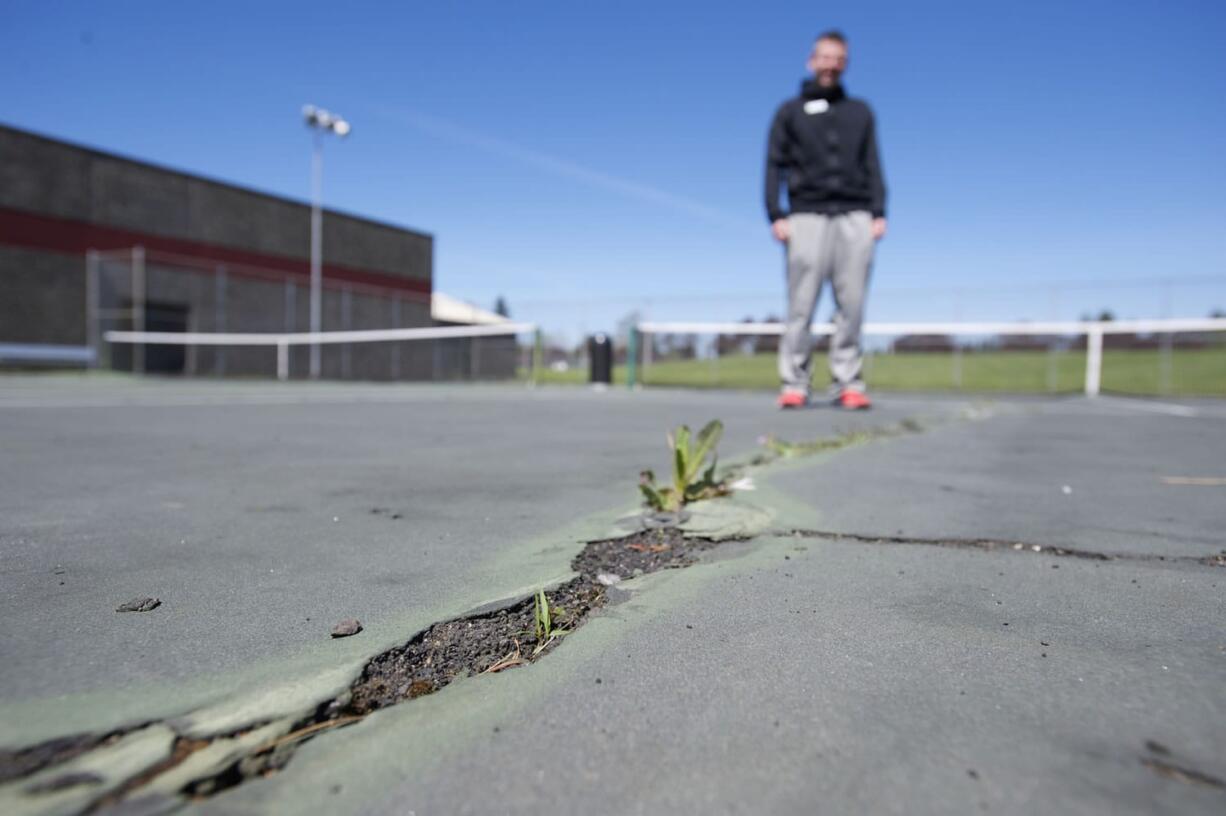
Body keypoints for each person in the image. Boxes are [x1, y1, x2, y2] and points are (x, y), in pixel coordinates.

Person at [764, 29, 887, 410]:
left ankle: (848, 382)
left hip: (855, 214)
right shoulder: (790, 111)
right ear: (812, 60)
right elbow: (774, 165)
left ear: (845, 63)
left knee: (852, 304)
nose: (831, 64)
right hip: (805, 216)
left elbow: (873, 164)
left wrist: (879, 211)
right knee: (801, 304)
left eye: (839, 58)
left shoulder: (860, 112)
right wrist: (775, 212)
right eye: (825, 57)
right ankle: (795, 383)